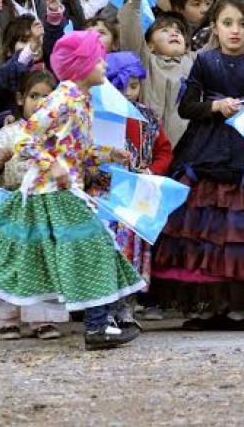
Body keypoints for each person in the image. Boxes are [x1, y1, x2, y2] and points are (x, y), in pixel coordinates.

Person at [0, 31, 143, 354]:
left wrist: (107, 154)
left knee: (14, 259)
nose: (104, 63)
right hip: (49, 193)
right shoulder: (63, 98)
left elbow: (77, 151)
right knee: (91, 248)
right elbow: (26, 140)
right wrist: (54, 165)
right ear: (82, 65)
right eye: (97, 58)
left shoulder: (82, 100)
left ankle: (98, 325)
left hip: (56, 191)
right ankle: (97, 326)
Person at [150, 0, 244, 330]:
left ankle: (240, 306)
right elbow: (187, 107)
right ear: (215, 27)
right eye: (228, 23)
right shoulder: (205, 62)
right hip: (207, 149)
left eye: (242, 24)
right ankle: (207, 305)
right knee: (206, 229)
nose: (235, 31)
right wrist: (214, 107)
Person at [0, 70, 65, 341]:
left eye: (47, 97)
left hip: (47, 207)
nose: (39, 103)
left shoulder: (58, 136)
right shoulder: (10, 133)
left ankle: (43, 319)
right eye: (33, 96)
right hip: (16, 207)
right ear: (20, 98)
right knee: (12, 264)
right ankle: (8, 318)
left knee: (45, 264)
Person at [85, 51, 174, 325]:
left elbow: (164, 151)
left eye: (134, 86)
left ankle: (127, 307)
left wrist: (151, 171)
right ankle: (103, 310)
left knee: (133, 251)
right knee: (105, 251)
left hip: (136, 197)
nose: (128, 93)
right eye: (121, 86)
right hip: (104, 197)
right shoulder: (94, 115)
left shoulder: (147, 117)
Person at [120, 0, 195, 146]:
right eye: (165, 30)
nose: (174, 33)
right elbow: (131, 36)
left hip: (189, 152)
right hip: (151, 148)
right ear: (150, 45)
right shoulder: (146, 63)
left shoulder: (195, 61)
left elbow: (218, 43)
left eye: (179, 31)